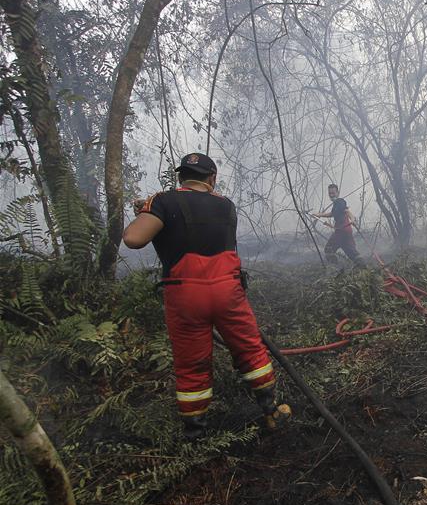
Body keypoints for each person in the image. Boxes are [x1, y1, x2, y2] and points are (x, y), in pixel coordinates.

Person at [123, 153, 284, 439]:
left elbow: (134, 239)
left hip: (186, 295)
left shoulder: (162, 201)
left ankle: (196, 433)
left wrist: (148, 210)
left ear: (181, 177)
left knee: (192, 363)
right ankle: (270, 410)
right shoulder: (227, 206)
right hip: (228, 291)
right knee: (249, 349)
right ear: (212, 178)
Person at [312, 183, 366, 267]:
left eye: (333, 193)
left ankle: (335, 269)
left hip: (342, 231)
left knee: (328, 249)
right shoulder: (336, 204)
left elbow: (347, 211)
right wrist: (319, 215)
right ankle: (363, 267)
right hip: (346, 231)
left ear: (338, 193)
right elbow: (332, 214)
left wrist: (352, 219)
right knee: (350, 251)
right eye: (330, 193)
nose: (331, 195)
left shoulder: (340, 201)